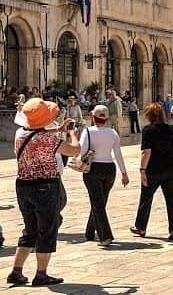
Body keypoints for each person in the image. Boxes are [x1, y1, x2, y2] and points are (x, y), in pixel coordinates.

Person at [7, 98, 80, 287]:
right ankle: (41, 274)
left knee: (29, 230)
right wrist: (72, 134)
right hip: (46, 187)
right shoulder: (49, 139)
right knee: (47, 230)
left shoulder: (20, 133)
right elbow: (74, 150)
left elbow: (36, 133)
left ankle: (16, 271)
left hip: (23, 185)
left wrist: (58, 129)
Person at [130, 102, 173, 241]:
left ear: (149, 116)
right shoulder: (171, 128)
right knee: (172, 200)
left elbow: (146, 152)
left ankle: (141, 227)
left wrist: (142, 170)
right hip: (171, 170)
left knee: (146, 198)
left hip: (153, 170)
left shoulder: (148, 130)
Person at [80, 104, 129, 246]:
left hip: (93, 169)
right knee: (100, 202)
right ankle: (90, 231)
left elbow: (82, 151)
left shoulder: (88, 132)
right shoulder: (113, 133)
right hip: (109, 169)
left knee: (97, 202)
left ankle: (105, 236)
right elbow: (118, 154)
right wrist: (124, 173)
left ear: (93, 117)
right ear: (107, 119)